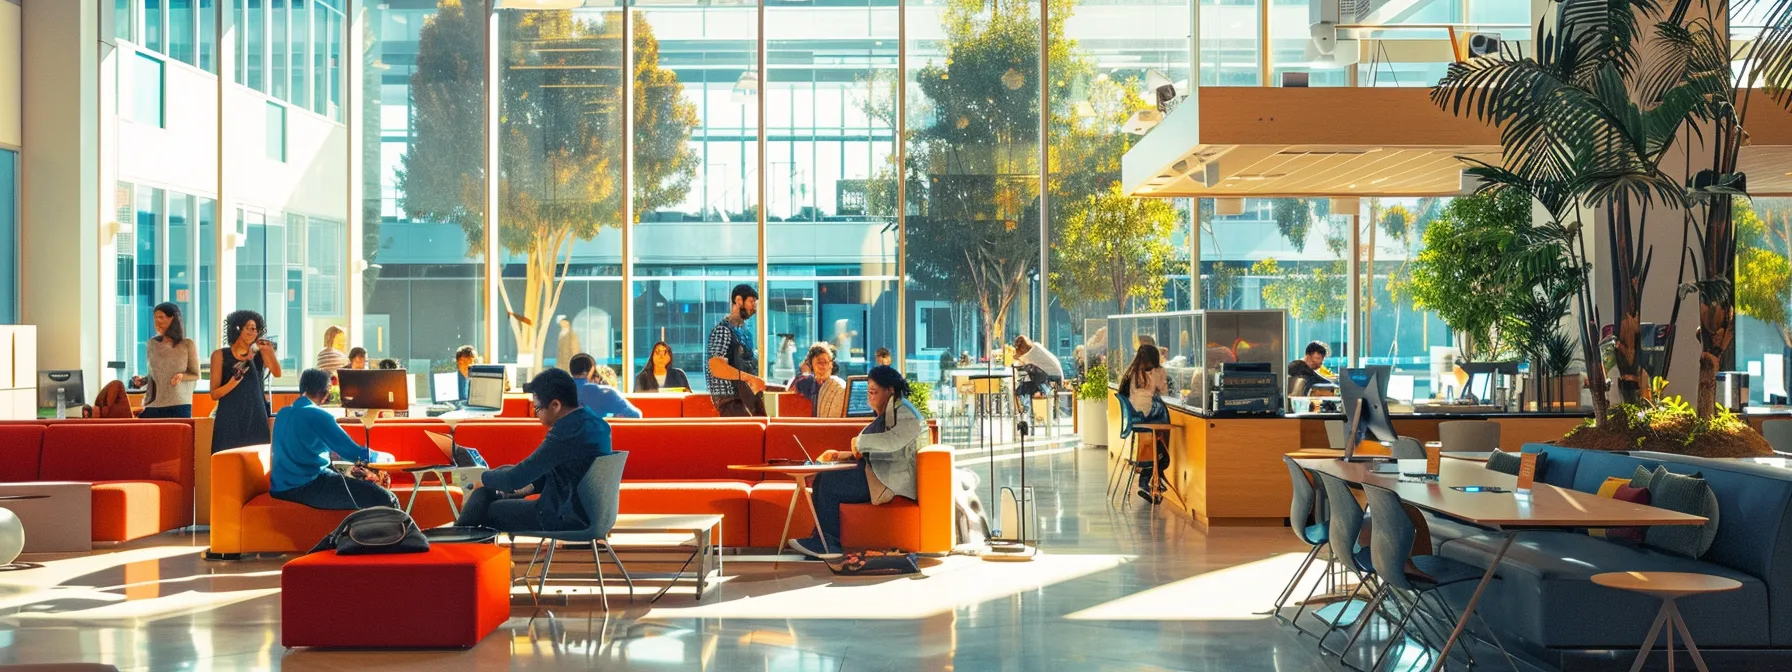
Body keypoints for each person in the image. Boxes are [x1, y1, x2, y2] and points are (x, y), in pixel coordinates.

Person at [788, 366, 927, 559]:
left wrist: (858, 443)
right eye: (868, 392)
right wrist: (844, 455)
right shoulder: (893, 410)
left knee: (829, 482)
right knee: (823, 477)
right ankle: (822, 541)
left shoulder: (904, 413)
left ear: (890, 390)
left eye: (874, 392)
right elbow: (885, 449)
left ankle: (827, 544)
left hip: (890, 482)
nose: (869, 396)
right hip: (883, 474)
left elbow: (892, 442)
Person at [454, 369, 614, 533]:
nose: (535, 414)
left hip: (564, 516)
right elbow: (571, 473)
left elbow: (514, 479)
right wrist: (531, 486)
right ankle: (458, 540)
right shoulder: (595, 424)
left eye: (537, 408)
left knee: (484, 507)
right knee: (490, 487)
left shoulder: (566, 432)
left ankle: (456, 540)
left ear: (555, 405)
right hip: (590, 513)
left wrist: (482, 477)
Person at [269, 369, 399, 510]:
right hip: (307, 485)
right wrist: (382, 457)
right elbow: (351, 452)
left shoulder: (282, 413)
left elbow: (302, 448)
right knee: (387, 498)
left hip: (279, 488)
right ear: (326, 392)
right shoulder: (318, 415)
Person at [210, 310, 281, 454]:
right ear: (237, 328)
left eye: (255, 329)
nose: (253, 332)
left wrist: (269, 351)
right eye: (249, 328)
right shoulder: (219, 355)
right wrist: (232, 383)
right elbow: (214, 394)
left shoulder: (260, 354)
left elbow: (277, 373)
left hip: (256, 414)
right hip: (228, 417)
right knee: (226, 459)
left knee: (257, 459)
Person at [1119, 344, 1171, 503]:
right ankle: (1155, 472)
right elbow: (1165, 392)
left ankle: (1153, 476)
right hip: (1148, 417)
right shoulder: (1157, 371)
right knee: (1163, 435)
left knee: (1156, 438)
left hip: (1135, 418)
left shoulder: (1131, 372)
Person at [705, 284, 766, 417]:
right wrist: (750, 378)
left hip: (747, 398)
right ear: (738, 300)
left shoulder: (745, 333)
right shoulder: (722, 330)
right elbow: (715, 366)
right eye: (751, 302)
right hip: (730, 400)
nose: (754, 308)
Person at [132, 302, 200, 419]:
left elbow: (195, 374)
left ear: (173, 318)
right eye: (155, 317)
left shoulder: (187, 344)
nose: (157, 321)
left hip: (180, 403)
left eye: (161, 317)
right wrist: (142, 380)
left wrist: (181, 376)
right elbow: (156, 374)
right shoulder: (152, 344)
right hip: (155, 403)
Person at [567, 353, 641, 419]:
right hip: (596, 430)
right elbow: (636, 415)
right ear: (592, 369)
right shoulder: (605, 392)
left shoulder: (561, 390)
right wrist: (612, 417)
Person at [791, 343, 848, 418]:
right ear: (811, 365)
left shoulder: (839, 387)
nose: (823, 366)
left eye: (826, 362)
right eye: (819, 362)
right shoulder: (804, 383)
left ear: (831, 364)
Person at [1012, 335, 1064, 416]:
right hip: (1055, 375)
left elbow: (1018, 361)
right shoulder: (1036, 346)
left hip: (1051, 378)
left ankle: (1027, 412)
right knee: (1027, 382)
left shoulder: (1030, 355)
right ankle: (1028, 411)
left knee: (1024, 387)